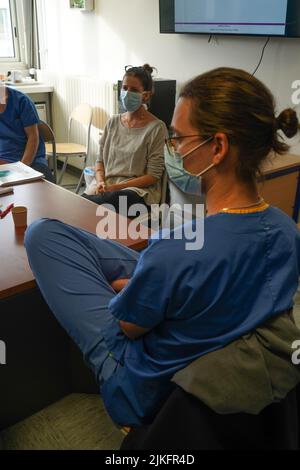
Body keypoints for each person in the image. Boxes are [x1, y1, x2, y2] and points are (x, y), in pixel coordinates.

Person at [24, 68, 300, 427]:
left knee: (41, 235)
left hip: (143, 384)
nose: (175, 149)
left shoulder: (175, 249)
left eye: (179, 139)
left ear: (217, 147)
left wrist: (131, 291)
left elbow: (128, 325)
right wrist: (147, 281)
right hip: (203, 326)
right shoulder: (285, 229)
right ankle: (144, 283)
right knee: (121, 251)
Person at [82, 64, 167, 215]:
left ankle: (78, 211)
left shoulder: (157, 128)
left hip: (137, 193)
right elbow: (100, 162)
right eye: (125, 88)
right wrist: (101, 181)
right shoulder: (113, 122)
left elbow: (153, 176)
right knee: (88, 201)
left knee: (104, 201)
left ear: (146, 96)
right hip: (107, 187)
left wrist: (116, 188)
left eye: (134, 90)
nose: (127, 93)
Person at [0, 84, 53, 181]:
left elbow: (33, 137)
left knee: (43, 184)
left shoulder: (21, 101)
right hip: (4, 158)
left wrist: (22, 168)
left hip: (31, 159)